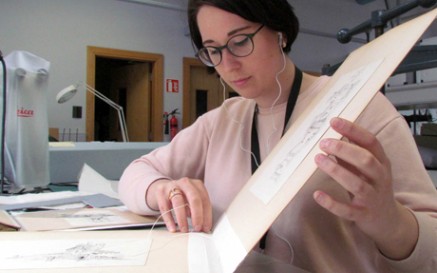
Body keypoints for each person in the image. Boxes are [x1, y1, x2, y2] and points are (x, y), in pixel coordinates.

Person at [118, 0, 437, 272]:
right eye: (212, 50)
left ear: (279, 31)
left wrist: (392, 224)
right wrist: (163, 189)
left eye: (240, 41)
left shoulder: (359, 107)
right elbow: (134, 174)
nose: (227, 65)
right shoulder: (221, 121)